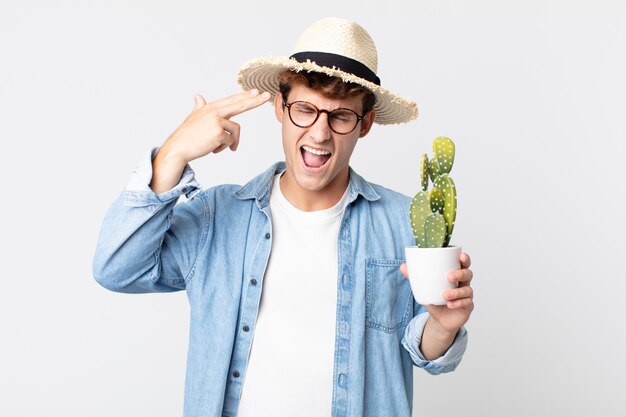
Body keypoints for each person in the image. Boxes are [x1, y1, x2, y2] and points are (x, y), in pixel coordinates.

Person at [93, 17, 474, 417]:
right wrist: (173, 154)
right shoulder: (218, 217)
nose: (320, 133)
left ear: (365, 124)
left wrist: (444, 327)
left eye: (340, 116)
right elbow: (116, 268)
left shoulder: (404, 221)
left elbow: (426, 352)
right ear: (280, 106)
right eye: (305, 109)